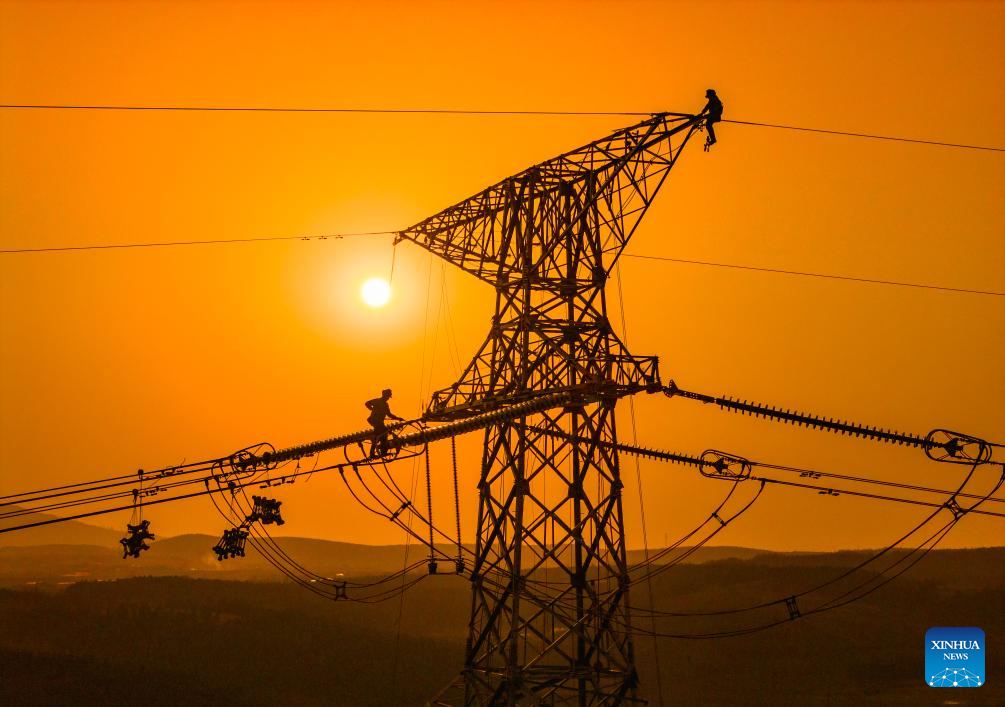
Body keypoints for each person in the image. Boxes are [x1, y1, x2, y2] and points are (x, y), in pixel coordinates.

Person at [365, 388, 403, 457]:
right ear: (385, 395)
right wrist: (372, 409)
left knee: (378, 436)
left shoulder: (385, 405)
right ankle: (382, 452)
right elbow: (367, 403)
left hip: (378, 422)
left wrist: (398, 418)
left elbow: (389, 414)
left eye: (389, 397)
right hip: (375, 421)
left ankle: (374, 453)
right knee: (384, 433)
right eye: (388, 396)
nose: (388, 398)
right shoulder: (377, 401)